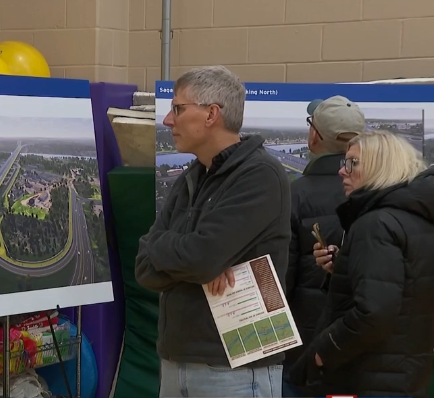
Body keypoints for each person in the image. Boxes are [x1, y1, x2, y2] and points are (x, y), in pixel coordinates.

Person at [134, 65, 291, 397]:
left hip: (235, 370)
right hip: (175, 364)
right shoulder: (190, 177)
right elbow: (145, 268)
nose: (167, 120)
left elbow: (201, 258)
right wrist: (192, 260)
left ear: (211, 114)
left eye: (178, 108)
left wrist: (183, 255)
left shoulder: (260, 176)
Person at [290, 130, 434, 397]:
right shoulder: (414, 218)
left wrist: (323, 351)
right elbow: (405, 290)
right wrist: (343, 267)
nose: (341, 172)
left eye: (352, 163)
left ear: (381, 166)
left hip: (366, 377)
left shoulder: (375, 224)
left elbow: (375, 312)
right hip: (407, 374)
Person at [282, 96, 364, 396]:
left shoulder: (294, 195)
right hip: (362, 347)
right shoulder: (384, 194)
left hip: (304, 351)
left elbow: (282, 279)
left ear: (314, 136)